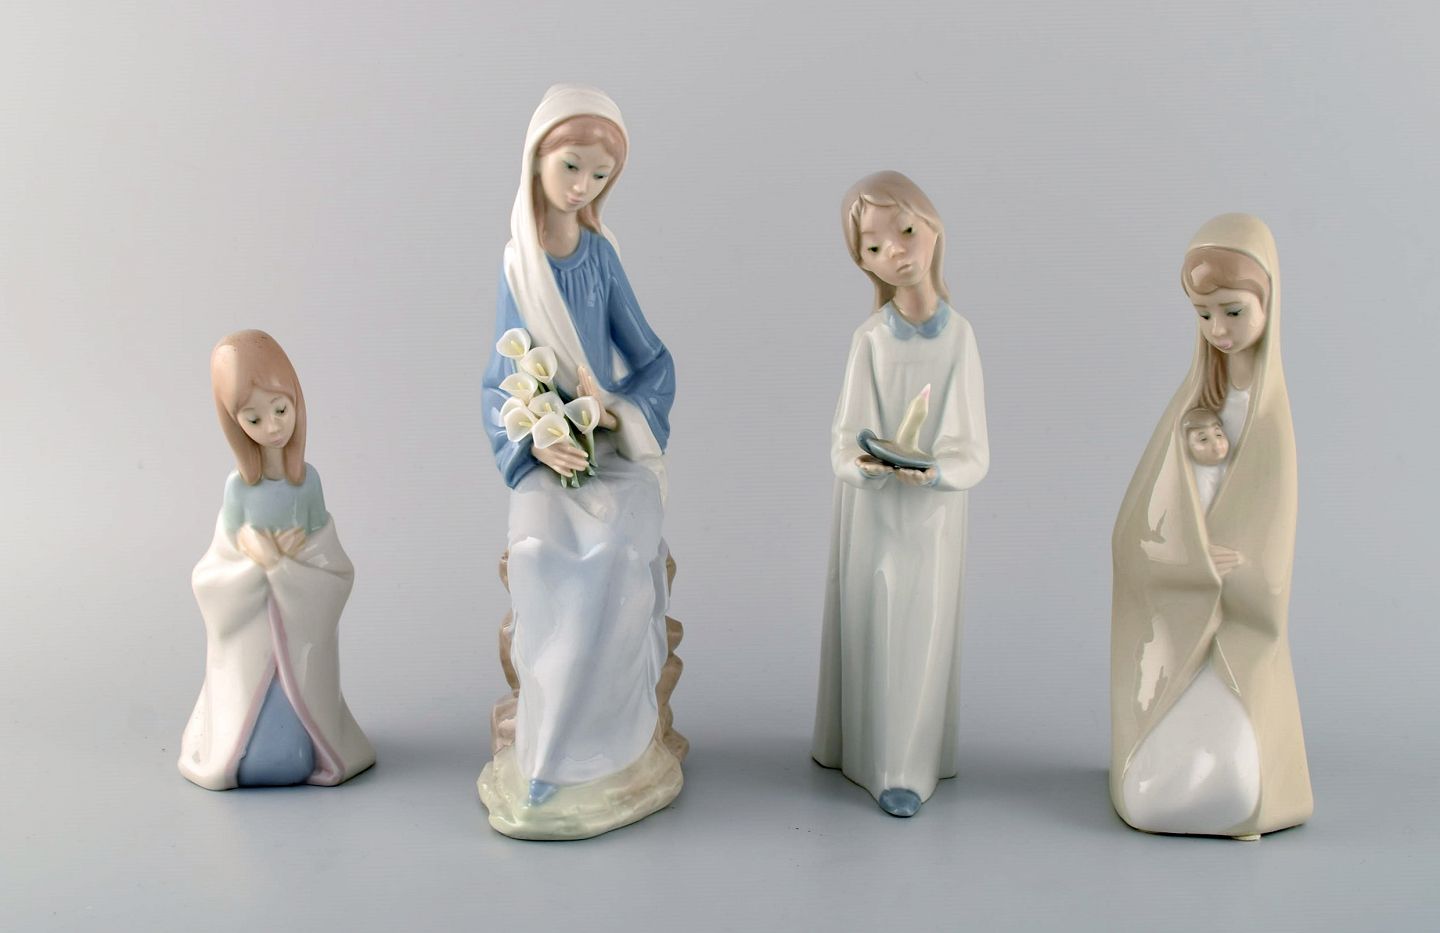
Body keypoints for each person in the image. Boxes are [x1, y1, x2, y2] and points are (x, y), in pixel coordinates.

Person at [476, 85, 684, 840]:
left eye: (600, 175)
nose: (582, 187)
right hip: (545, 457)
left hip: (607, 454)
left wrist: (612, 411)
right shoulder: (520, 266)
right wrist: (534, 438)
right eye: (571, 166)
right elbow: (500, 379)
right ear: (536, 160)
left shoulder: (600, 259)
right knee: (539, 555)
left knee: (617, 557)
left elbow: (653, 360)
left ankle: (612, 753)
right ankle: (545, 753)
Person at [1111, 214, 1313, 839]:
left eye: (1232, 311)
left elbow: (1271, 543)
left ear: (1269, 304)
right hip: (1184, 621)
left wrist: (1238, 566)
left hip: (1231, 628)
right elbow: (1143, 520)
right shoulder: (1195, 401)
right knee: (1151, 788)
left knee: (1232, 780)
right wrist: (1186, 557)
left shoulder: (1270, 422)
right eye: (1202, 314)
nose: (1217, 330)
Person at [812, 171, 990, 817]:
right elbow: (843, 437)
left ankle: (906, 767)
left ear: (934, 228)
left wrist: (936, 470)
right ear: (863, 260)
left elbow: (973, 444)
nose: (897, 252)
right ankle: (865, 750)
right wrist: (865, 464)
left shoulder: (960, 337)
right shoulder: (871, 339)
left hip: (932, 515)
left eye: (907, 231)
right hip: (875, 512)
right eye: (875, 245)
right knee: (874, 618)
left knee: (920, 625)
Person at [180, 330, 374, 790]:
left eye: (281, 410)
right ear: (234, 423)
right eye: (254, 418)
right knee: (251, 752)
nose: (272, 427)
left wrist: (288, 562)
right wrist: (257, 562)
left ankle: (313, 740)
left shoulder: (307, 484)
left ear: (297, 402)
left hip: (297, 624)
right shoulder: (239, 489)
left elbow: (330, 563)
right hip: (253, 632)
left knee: (297, 750)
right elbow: (217, 566)